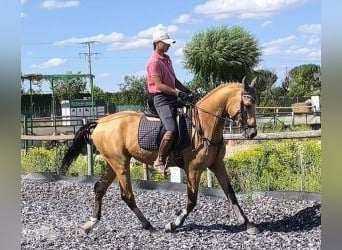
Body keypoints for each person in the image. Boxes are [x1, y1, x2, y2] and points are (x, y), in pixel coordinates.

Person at [146, 30, 192, 174]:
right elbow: (159, 85)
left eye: (168, 44)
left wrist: (186, 90)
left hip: (172, 97)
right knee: (171, 129)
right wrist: (178, 93)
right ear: (157, 44)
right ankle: (159, 160)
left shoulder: (167, 59)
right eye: (166, 44)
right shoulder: (153, 62)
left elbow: (174, 80)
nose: (168, 46)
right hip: (161, 99)